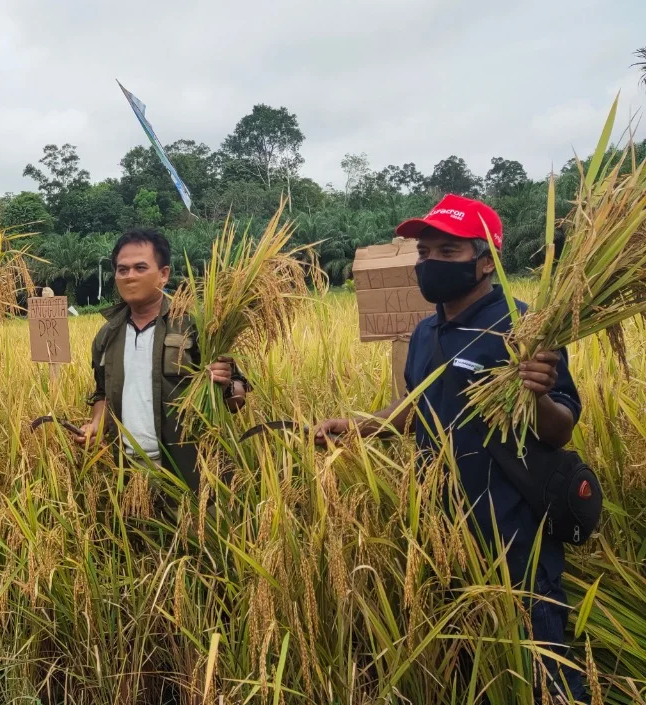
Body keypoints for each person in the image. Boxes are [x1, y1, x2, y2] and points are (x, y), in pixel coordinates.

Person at [312, 195, 585, 700]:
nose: (430, 263)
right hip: (439, 527)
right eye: (424, 252)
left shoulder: (523, 328)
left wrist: (540, 393)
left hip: (512, 529)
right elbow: (416, 409)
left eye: (447, 251)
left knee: (539, 666)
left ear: (486, 262)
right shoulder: (425, 331)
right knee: (468, 663)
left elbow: (561, 428)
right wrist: (356, 425)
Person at [70, 229, 250, 492]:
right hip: (128, 474)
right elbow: (101, 393)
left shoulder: (197, 324)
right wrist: (97, 424)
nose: (129, 276)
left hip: (191, 474)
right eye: (122, 269)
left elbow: (238, 396)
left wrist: (223, 384)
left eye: (140, 267)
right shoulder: (106, 336)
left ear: (164, 274)